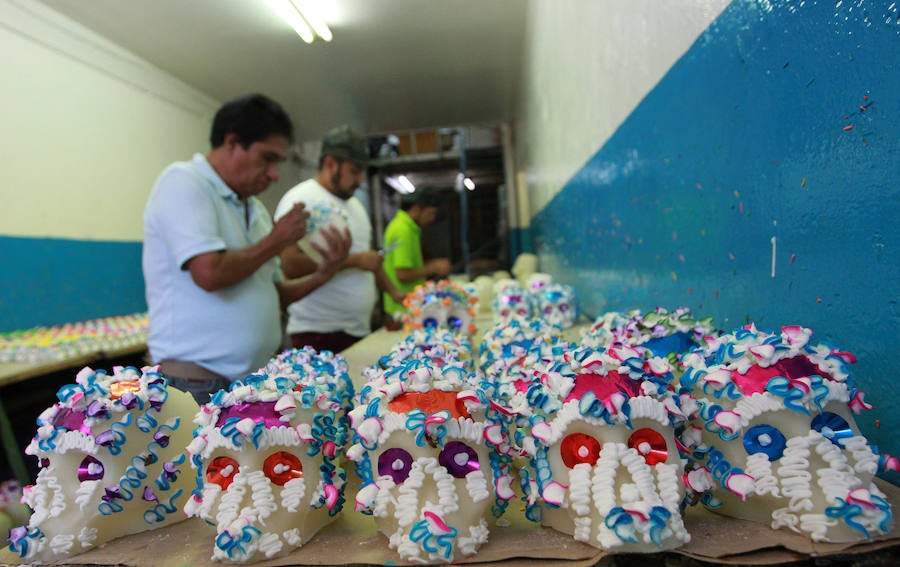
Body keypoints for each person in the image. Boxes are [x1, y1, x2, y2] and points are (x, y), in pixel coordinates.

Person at [142, 94, 349, 402]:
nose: (274, 174)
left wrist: (323, 274)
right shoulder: (184, 182)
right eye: (268, 158)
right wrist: (277, 239)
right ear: (232, 142)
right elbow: (209, 273)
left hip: (252, 380)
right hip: (196, 382)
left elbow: (273, 294)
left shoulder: (255, 209)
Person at [274, 125, 404, 353]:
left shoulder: (356, 206)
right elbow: (289, 265)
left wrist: (395, 293)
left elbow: (369, 258)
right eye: (354, 171)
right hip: (318, 334)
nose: (360, 180)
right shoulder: (301, 199)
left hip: (358, 329)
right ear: (331, 164)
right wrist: (352, 261)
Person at [381, 187, 452, 318]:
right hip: (401, 310)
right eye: (430, 213)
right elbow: (402, 274)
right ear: (417, 209)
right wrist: (434, 267)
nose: (432, 218)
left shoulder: (408, 228)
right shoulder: (403, 230)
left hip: (408, 306)